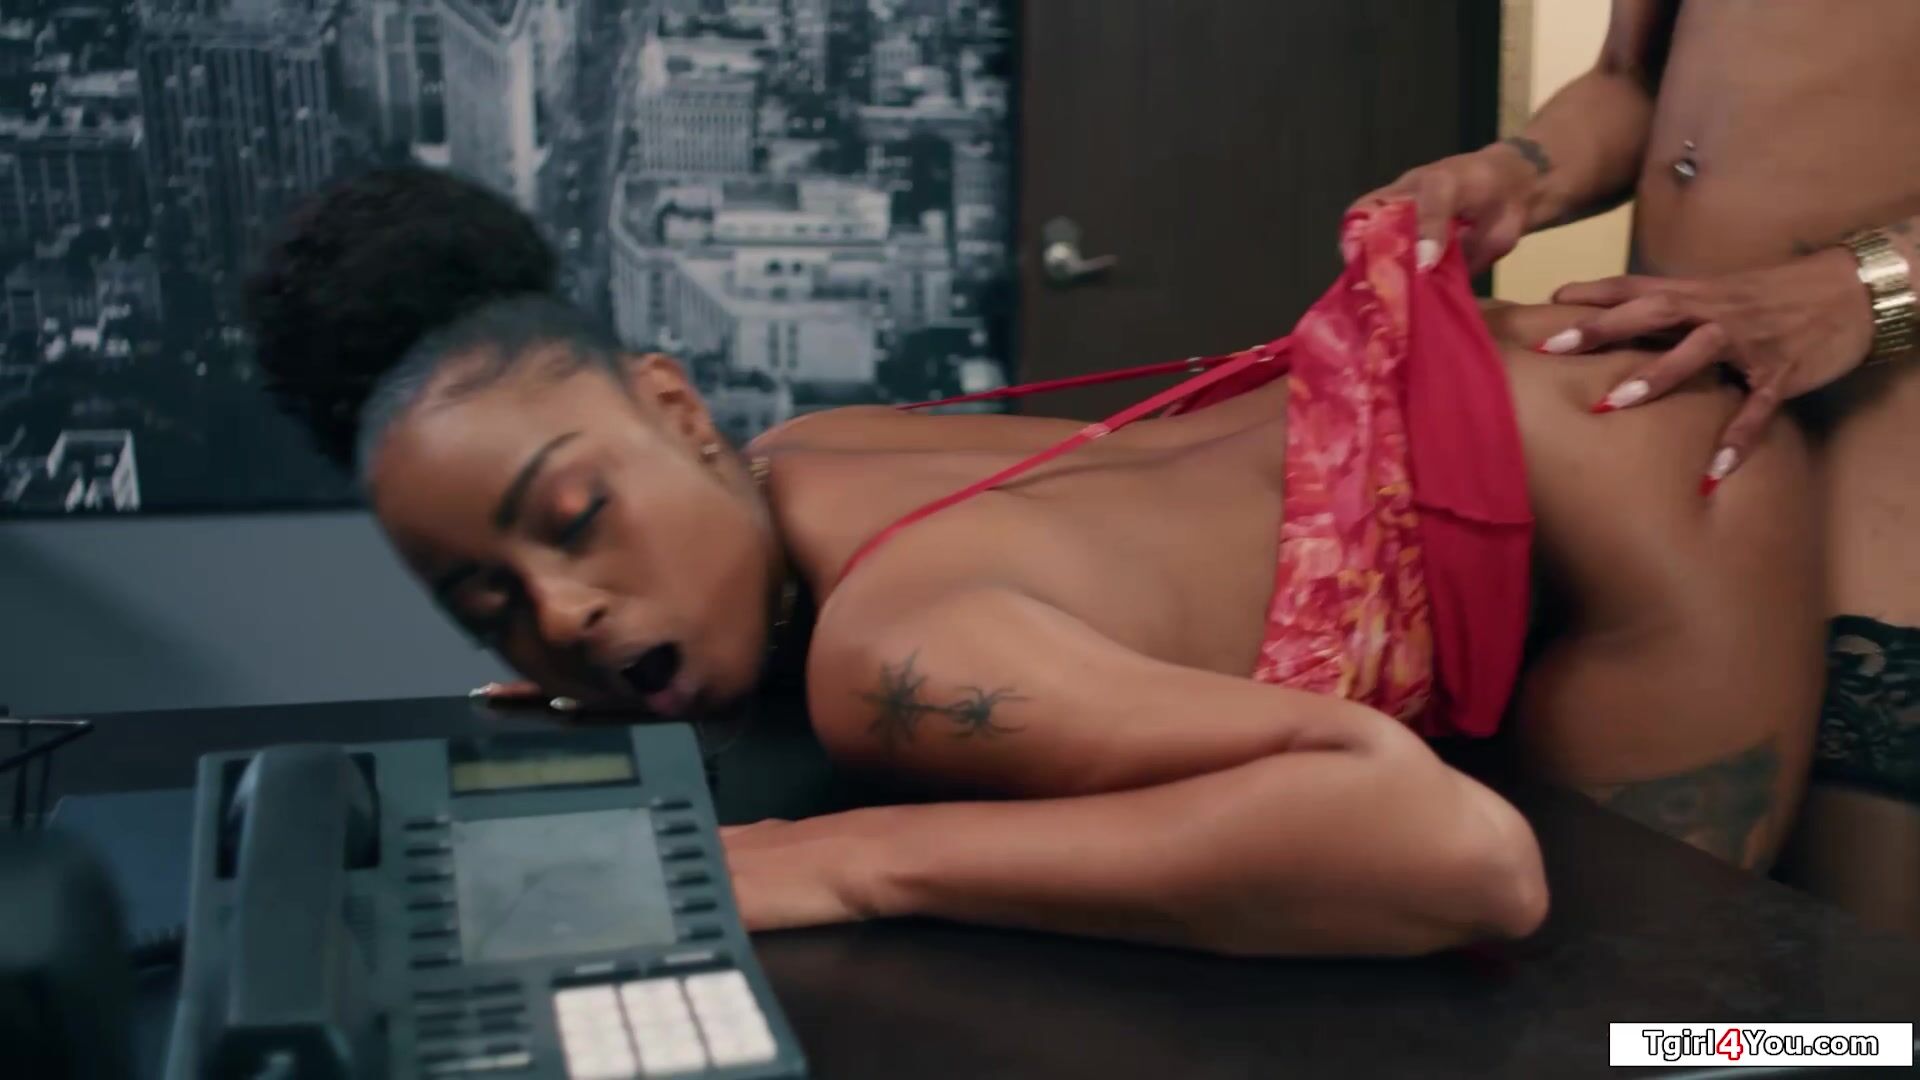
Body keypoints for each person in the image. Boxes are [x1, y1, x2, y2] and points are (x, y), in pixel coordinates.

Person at [243, 167, 1822, 957]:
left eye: (576, 520)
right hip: (1531, 384)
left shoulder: (894, 664)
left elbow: (1465, 861)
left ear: (672, 409)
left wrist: (844, 863)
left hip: (1651, 482)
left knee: (1684, 1043)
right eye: (491, 604)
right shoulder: (804, 453)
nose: (562, 610)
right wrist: (631, 668)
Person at [1350, 0, 1920, 934]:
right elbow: (1634, 83)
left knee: (1865, 996)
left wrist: (1864, 290)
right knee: (1630, 979)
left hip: (1886, 481)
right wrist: (1517, 172)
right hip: (1682, 461)